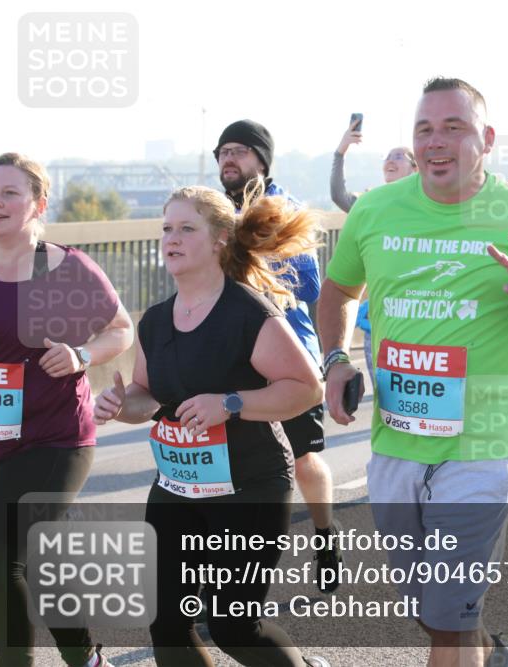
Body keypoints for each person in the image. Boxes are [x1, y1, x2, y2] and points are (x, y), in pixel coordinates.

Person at [317, 76, 508, 667]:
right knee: (435, 616)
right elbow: (338, 289)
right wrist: (335, 360)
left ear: (487, 139)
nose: (436, 142)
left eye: (454, 128)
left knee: (449, 622)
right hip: (396, 444)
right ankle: (498, 657)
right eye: (424, 130)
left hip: (484, 443)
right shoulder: (377, 209)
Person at [93, 183, 328, 667]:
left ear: (220, 239)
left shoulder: (247, 313)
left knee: (234, 626)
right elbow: (147, 397)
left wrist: (233, 402)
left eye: (186, 228)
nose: (170, 239)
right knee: (167, 623)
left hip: (249, 487)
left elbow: (307, 388)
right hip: (178, 485)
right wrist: (120, 404)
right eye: (165, 229)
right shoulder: (156, 321)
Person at [0, 153, 134, 667]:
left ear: (38, 204)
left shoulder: (62, 267)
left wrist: (81, 355)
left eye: (9, 193)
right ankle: (87, 658)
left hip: (55, 439)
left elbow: (120, 329)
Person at [214, 119, 341, 590]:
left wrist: (255, 257)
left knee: (303, 460)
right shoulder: (211, 212)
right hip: (231, 359)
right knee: (232, 468)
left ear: (262, 161)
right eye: (223, 152)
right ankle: (235, 577)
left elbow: (308, 285)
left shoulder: (282, 210)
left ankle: (325, 536)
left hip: (287, 357)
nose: (230, 159)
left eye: (240, 151)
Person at [330, 120, 419, 385]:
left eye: (399, 156)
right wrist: (340, 151)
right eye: (388, 157)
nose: (390, 161)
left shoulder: (430, 205)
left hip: (419, 312)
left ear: (416, 168)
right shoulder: (371, 204)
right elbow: (338, 196)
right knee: (385, 393)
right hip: (379, 316)